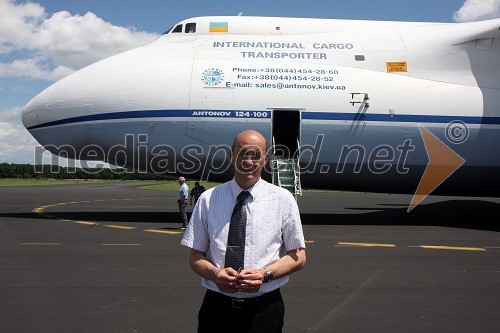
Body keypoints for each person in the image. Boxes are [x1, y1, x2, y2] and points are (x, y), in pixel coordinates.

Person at [181, 130, 306, 332]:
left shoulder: (283, 199)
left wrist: (265, 274)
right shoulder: (208, 199)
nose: (248, 161)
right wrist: (215, 274)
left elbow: (298, 257)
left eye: (256, 155)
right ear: (232, 156)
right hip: (216, 308)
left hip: (265, 309)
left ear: (265, 159)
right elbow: (195, 255)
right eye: (242, 154)